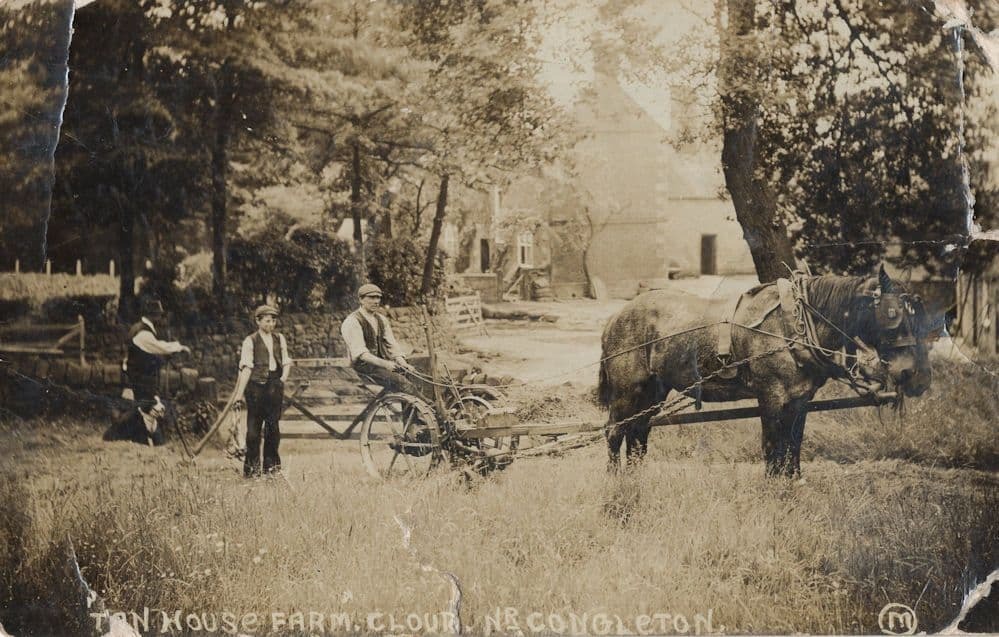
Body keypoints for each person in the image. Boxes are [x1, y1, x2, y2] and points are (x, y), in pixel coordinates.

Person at [114, 298, 190, 445]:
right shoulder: (143, 333)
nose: (160, 318)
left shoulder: (139, 328)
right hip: (140, 377)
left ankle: (148, 438)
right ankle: (132, 434)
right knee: (148, 408)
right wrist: (179, 347)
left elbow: (150, 351)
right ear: (152, 316)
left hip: (137, 375)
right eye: (159, 315)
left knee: (146, 408)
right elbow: (158, 347)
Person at [233, 304, 292, 478]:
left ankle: (271, 469)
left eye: (273, 320)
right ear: (258, 321)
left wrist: (282, 379)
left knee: (273, 429)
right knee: (253, 430)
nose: (271, 324)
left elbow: (286, 361)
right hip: (255, 388)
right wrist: (239, 395)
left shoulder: (279, 338)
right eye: (267, 321)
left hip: (274, 386)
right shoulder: (250, 341)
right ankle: (252, 471)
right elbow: (246, 368)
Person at [339, 283, 424, 398]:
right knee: (402, 382)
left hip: (381, 366)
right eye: (371, 297)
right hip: (364, 369)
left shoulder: (381, 320)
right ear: (361, 300)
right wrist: (386, 364)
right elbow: (362, 354)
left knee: (415, 375)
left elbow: (392, 345)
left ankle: (413, 409)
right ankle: (429, 407)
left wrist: (403, 364)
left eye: (378, 297)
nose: (376, 301)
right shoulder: (352, 321)